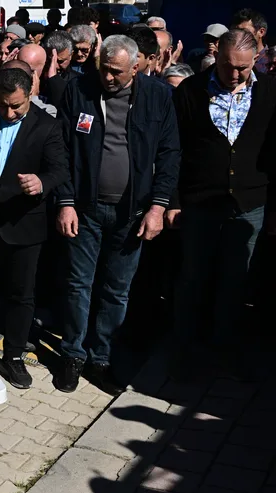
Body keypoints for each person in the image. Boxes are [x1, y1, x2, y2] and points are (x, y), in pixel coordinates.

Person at [53, 34, 179, 394]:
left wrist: (158, 206)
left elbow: (169, 153)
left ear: (136, 67)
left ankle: (102, 358)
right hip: (85, 208)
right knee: (78, 284)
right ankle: (72, 354)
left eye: (117, 72)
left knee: (117, 290)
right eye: (104, 69)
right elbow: (61, 149)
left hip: (132, 212)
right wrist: (65, 202)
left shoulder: (157, 96)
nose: (108, 78)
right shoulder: (79, 90)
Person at [170, 28, 274, 374]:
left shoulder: (269, 92)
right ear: (217, 57)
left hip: (249, 205)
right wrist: (172, 201)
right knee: (193, 280)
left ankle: (225, 352)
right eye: (228, 66)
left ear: (255, 60)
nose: (235, 74)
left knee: (236, 282)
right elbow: (173, 150)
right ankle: (185, 354)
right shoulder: (191, 91)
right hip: (200, 203)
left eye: (243, 67)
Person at [0, 66, 68, 389]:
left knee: (20, 295)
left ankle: (14, 356)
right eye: (3, 105)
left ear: (30, 95)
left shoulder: (47, 126)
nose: (8, 112)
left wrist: (41, 182)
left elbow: (60, 169)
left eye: (16, 106)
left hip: (24, 224)